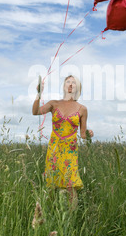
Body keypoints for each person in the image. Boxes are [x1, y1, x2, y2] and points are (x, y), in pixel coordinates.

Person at [32, 75, 94, 208]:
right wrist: (38, 94)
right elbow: (35, 111)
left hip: (70, 151)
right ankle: (48, 215)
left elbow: (83, 134)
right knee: (51, 184)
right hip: (54, 148)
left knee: (71, 185)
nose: (71, 84)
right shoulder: (54, 103)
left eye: (74, 83)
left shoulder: (82, 109)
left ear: (78, 88)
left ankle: (71, 221)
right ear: (64, 85)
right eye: (68, 82)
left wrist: (89, 134)